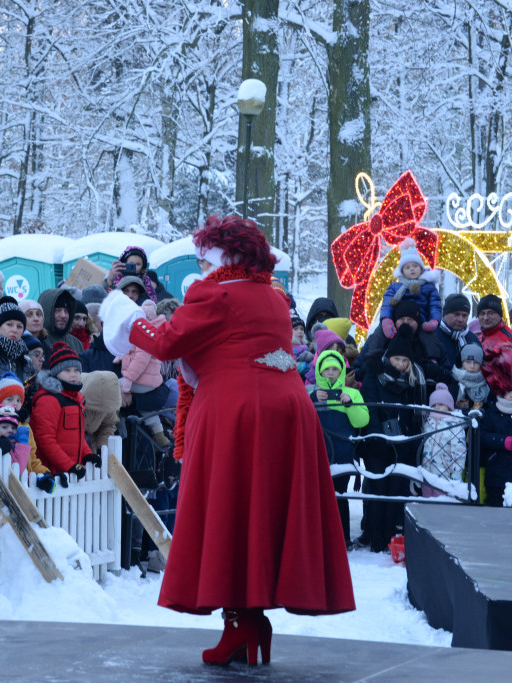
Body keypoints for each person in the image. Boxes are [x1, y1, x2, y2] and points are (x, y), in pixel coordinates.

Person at [100, 215, 353, 666]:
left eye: (204, 254)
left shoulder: (216, 292)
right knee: (260, 514)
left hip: (237, 413)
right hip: (286, 410)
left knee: (232, 512)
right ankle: (250, 622)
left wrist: (122, 313)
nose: (199, 261)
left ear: (221, 256)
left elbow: (164, 342)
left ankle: (240, 623)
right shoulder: (271, 296)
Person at [358, 326, 428, 553]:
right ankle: (374, 536)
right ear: (388, 357)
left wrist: (408, 440)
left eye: (404, 360)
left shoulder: (412, 382)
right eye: (397, 359)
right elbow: (370, 409)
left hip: (403, 446)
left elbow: (415, 415)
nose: (400, 364)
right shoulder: (373, 376)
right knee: (377, 491)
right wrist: (379, 437)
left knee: (396, 492)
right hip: (377, 444)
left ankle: (390, 536)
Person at [311, 348, 368, 546]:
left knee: (340, 496)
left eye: (335, 369)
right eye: (327, 369)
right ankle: (316, 539)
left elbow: (362, 421)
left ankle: (342, 539)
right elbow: (301, 419)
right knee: (316, 498)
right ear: (320, 370)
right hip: (316, 454)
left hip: (343, 453)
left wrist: (349, 404)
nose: (331, 373)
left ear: (342, 370)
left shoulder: (352, 392)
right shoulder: (310, 392)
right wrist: (312, 400)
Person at [30, 342, 99, 484]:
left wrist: (87, 454)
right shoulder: (49, 399)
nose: (73, 375)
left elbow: (78, 436)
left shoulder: (77, 399)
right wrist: (69, 465)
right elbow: (45, 439)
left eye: (76, 370)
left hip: (72, 473)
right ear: (56, 373)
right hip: (53, 473)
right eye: (67, 370)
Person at [118, 300, 170, 449]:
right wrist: (120, 356)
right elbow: (131, 352)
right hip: (149, 383)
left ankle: (112, 417)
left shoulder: (144, 336)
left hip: (140, 381)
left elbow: (140, 361)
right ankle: (159, 433)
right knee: (147, 409)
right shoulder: (152, 334)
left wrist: (128, 379)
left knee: (112, 385)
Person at [479, 364, 512, 507]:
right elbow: (482, 436)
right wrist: (503, 441)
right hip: (497, 474)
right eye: (508, 391)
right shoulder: (492, 411)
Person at [378, 237, 442, 336]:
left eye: (415, 266)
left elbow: (435, 305)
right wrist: (387, 319)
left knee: (431, 343)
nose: (412, 269)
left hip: (421, 323)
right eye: (407, 267)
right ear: (402, 272)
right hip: (398, 322)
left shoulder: (429, 287)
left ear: (421, 269)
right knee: (378, 337)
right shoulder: (395, 287)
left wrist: (434, 320)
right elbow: (387, 304)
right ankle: (371, 352)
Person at [421, 384, 467, 497]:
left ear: (449, 406)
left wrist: (456, 473)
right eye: (434, 405)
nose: (437, 407)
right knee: (427, 504)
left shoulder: (455, 425)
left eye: (441, 404)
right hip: (427, 473)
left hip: (445, 475)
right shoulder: (428, 424)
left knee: (442, 505)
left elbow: (459, 451)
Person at [434, 293, 479, 369]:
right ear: (445, 314)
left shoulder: (472, 339)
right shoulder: (433, 335)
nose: (460, 319)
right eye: (456, 314)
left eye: (464, 315)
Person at [36, 287, 83, 354]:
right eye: (57, 311)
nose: (63, 315)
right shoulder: (36, 342)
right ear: (46, 312)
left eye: (66, 311)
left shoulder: (77, 344)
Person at [476, 294, 512, 358]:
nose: (486, 317)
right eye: (482, 313)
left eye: (490, 313)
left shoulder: (511, 339)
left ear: (499, 316)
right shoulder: (478, 339)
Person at [454, 343, 489, 411]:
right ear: (462, 363)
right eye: (468, 362)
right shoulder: (456, 381)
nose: (472, 366)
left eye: (476, 362)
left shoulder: (488, 380)